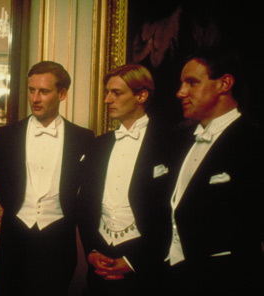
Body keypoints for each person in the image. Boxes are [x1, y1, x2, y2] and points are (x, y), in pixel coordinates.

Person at [164, 48, 264, 295]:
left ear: (225, 84)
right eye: (181, 84)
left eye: (192, 83)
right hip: (175, 281)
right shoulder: (180, 143)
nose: (180, 92)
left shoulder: (254, 143)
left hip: (231, 282)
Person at [0, 61, 94, 296]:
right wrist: (20, 208)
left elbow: (86, 188)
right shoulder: (7, 135)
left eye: (44, 91)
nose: (35, 98)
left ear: (62, 94)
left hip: (58, 237)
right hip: (15, 234)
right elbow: (0, 182)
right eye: (31, 90)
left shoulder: (83, 138)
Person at [77, 64, 176, 295]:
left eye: (117, 93)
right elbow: (86, 204)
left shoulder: (171, 144)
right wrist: (92, 251)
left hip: (148, 267)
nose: (107, 100)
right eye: (107, 92)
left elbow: (171, 211)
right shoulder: (98, 145)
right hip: (100, 260)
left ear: (141, 95)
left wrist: (136, 261)